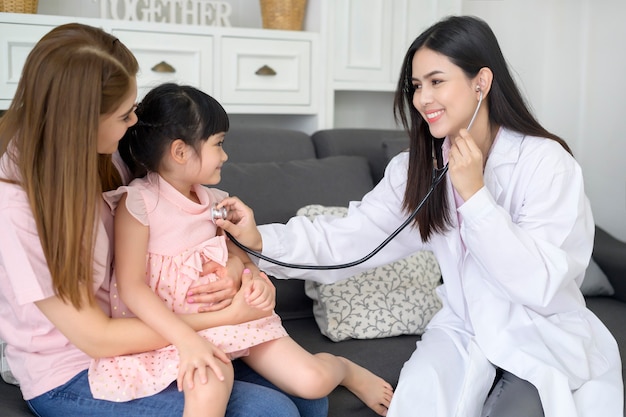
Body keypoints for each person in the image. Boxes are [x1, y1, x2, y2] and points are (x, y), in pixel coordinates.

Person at [217, 15, 624, 417]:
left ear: (481, 82)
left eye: (436, 81)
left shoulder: (546, 163)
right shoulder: (418, 169)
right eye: (416, 86)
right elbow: (349, 236)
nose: (422, 98)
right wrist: (259, 242)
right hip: (463, 332)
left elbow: (541, 283)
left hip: (542, 333)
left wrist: (475, 195)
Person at [0, 23, 328, 417]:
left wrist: (241, 269)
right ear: (81, 122)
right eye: (124, 114)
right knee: (268, 411)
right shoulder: (17, 208)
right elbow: (98, 338)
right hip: (75, 369)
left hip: (151, 336)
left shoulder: (109, 154)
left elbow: (189, 228)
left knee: (311, 396)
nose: (135, 123)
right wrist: (223, 317)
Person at [89, 82, 394, 416]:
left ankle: (344, 369)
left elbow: (239, 255)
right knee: (210, 383)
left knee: (312, 383)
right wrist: (185, 339)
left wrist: (249, 277)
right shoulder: (139, 204)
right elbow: (131, 287)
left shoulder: (219, 203)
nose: (225, 155)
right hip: (174, 332)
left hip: (237, 321)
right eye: (218, 144)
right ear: (180, 152)